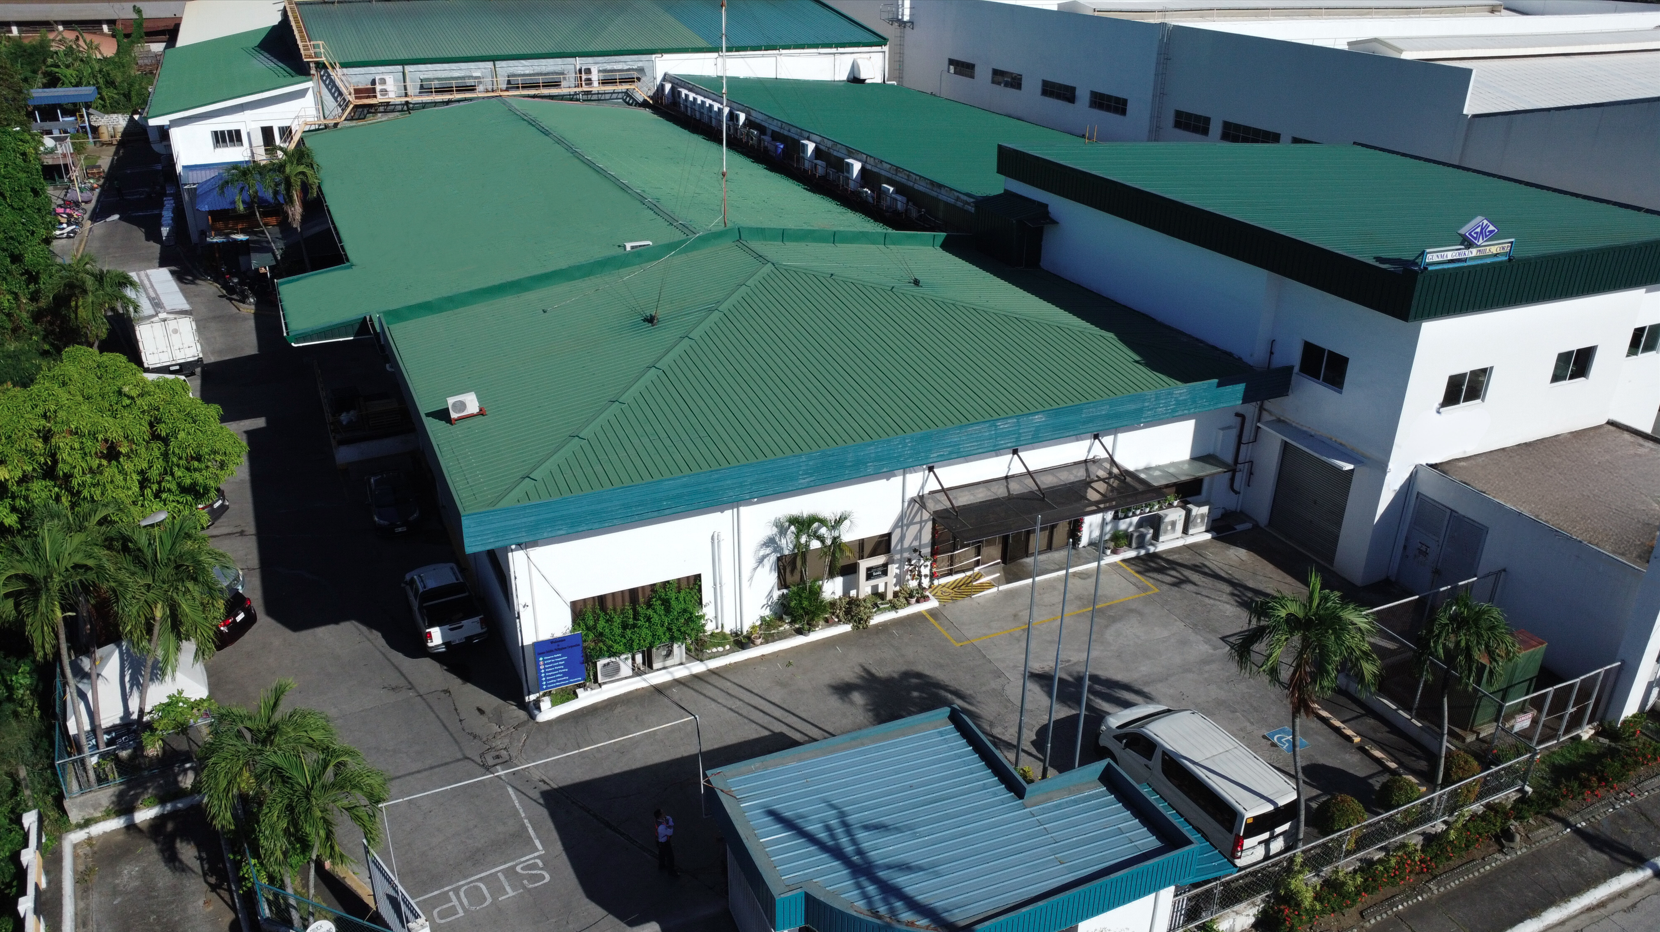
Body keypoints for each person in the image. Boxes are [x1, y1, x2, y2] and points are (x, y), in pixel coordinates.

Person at [654, 808, 676, 873]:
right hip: (664, 843)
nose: (664, 813)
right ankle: (671, 871)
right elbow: (670, 832)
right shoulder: (661, 827)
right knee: (670, 857)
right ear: (660, 816)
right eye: (663, 812)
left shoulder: (658, 821)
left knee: (661, 853)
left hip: (659, 841)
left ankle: (661, 865)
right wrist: (670, 824)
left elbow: (668, 818)